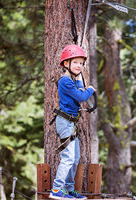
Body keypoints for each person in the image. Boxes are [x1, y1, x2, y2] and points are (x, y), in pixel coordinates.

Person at [49, 45, 95, 200]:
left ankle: (68, 190)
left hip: (71, 124)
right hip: (65, 123)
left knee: (74, 159)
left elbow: (80, 90)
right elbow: (82, 97)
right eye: (75, 62)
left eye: (81, 63)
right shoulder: (65, 81)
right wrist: (91, 89)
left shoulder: (73, 81)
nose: (79, 66)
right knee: (68, 158)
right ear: (66, 64)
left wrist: (82, 81)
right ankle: (56, 190)